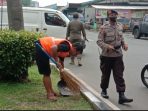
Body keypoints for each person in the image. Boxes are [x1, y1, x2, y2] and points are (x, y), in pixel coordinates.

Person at [96, 10, 133, 104]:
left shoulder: (119, 26)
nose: (114, 16)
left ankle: (121, 95)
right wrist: (107, 46)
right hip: (106, 56)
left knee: (119, 75)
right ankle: (104, 90)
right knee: (105, 75)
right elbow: (99, 41)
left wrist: (124, 44)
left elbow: (121, 38)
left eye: (115, 14)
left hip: (118, 55)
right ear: (108, 16)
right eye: (111, 14)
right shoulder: (103, 27)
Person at [35, 36, 73, 101]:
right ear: (74, 49)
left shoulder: (66, 48)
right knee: (46, 73)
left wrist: (62, 74)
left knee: (48, 73)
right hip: (41, 47)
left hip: (44, 47)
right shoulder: (66, 47)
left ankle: (51, 91)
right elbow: (54, 47)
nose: (75, 55)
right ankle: (49, 94)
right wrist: (56, 61)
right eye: (76, 53)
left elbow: (61, 62)